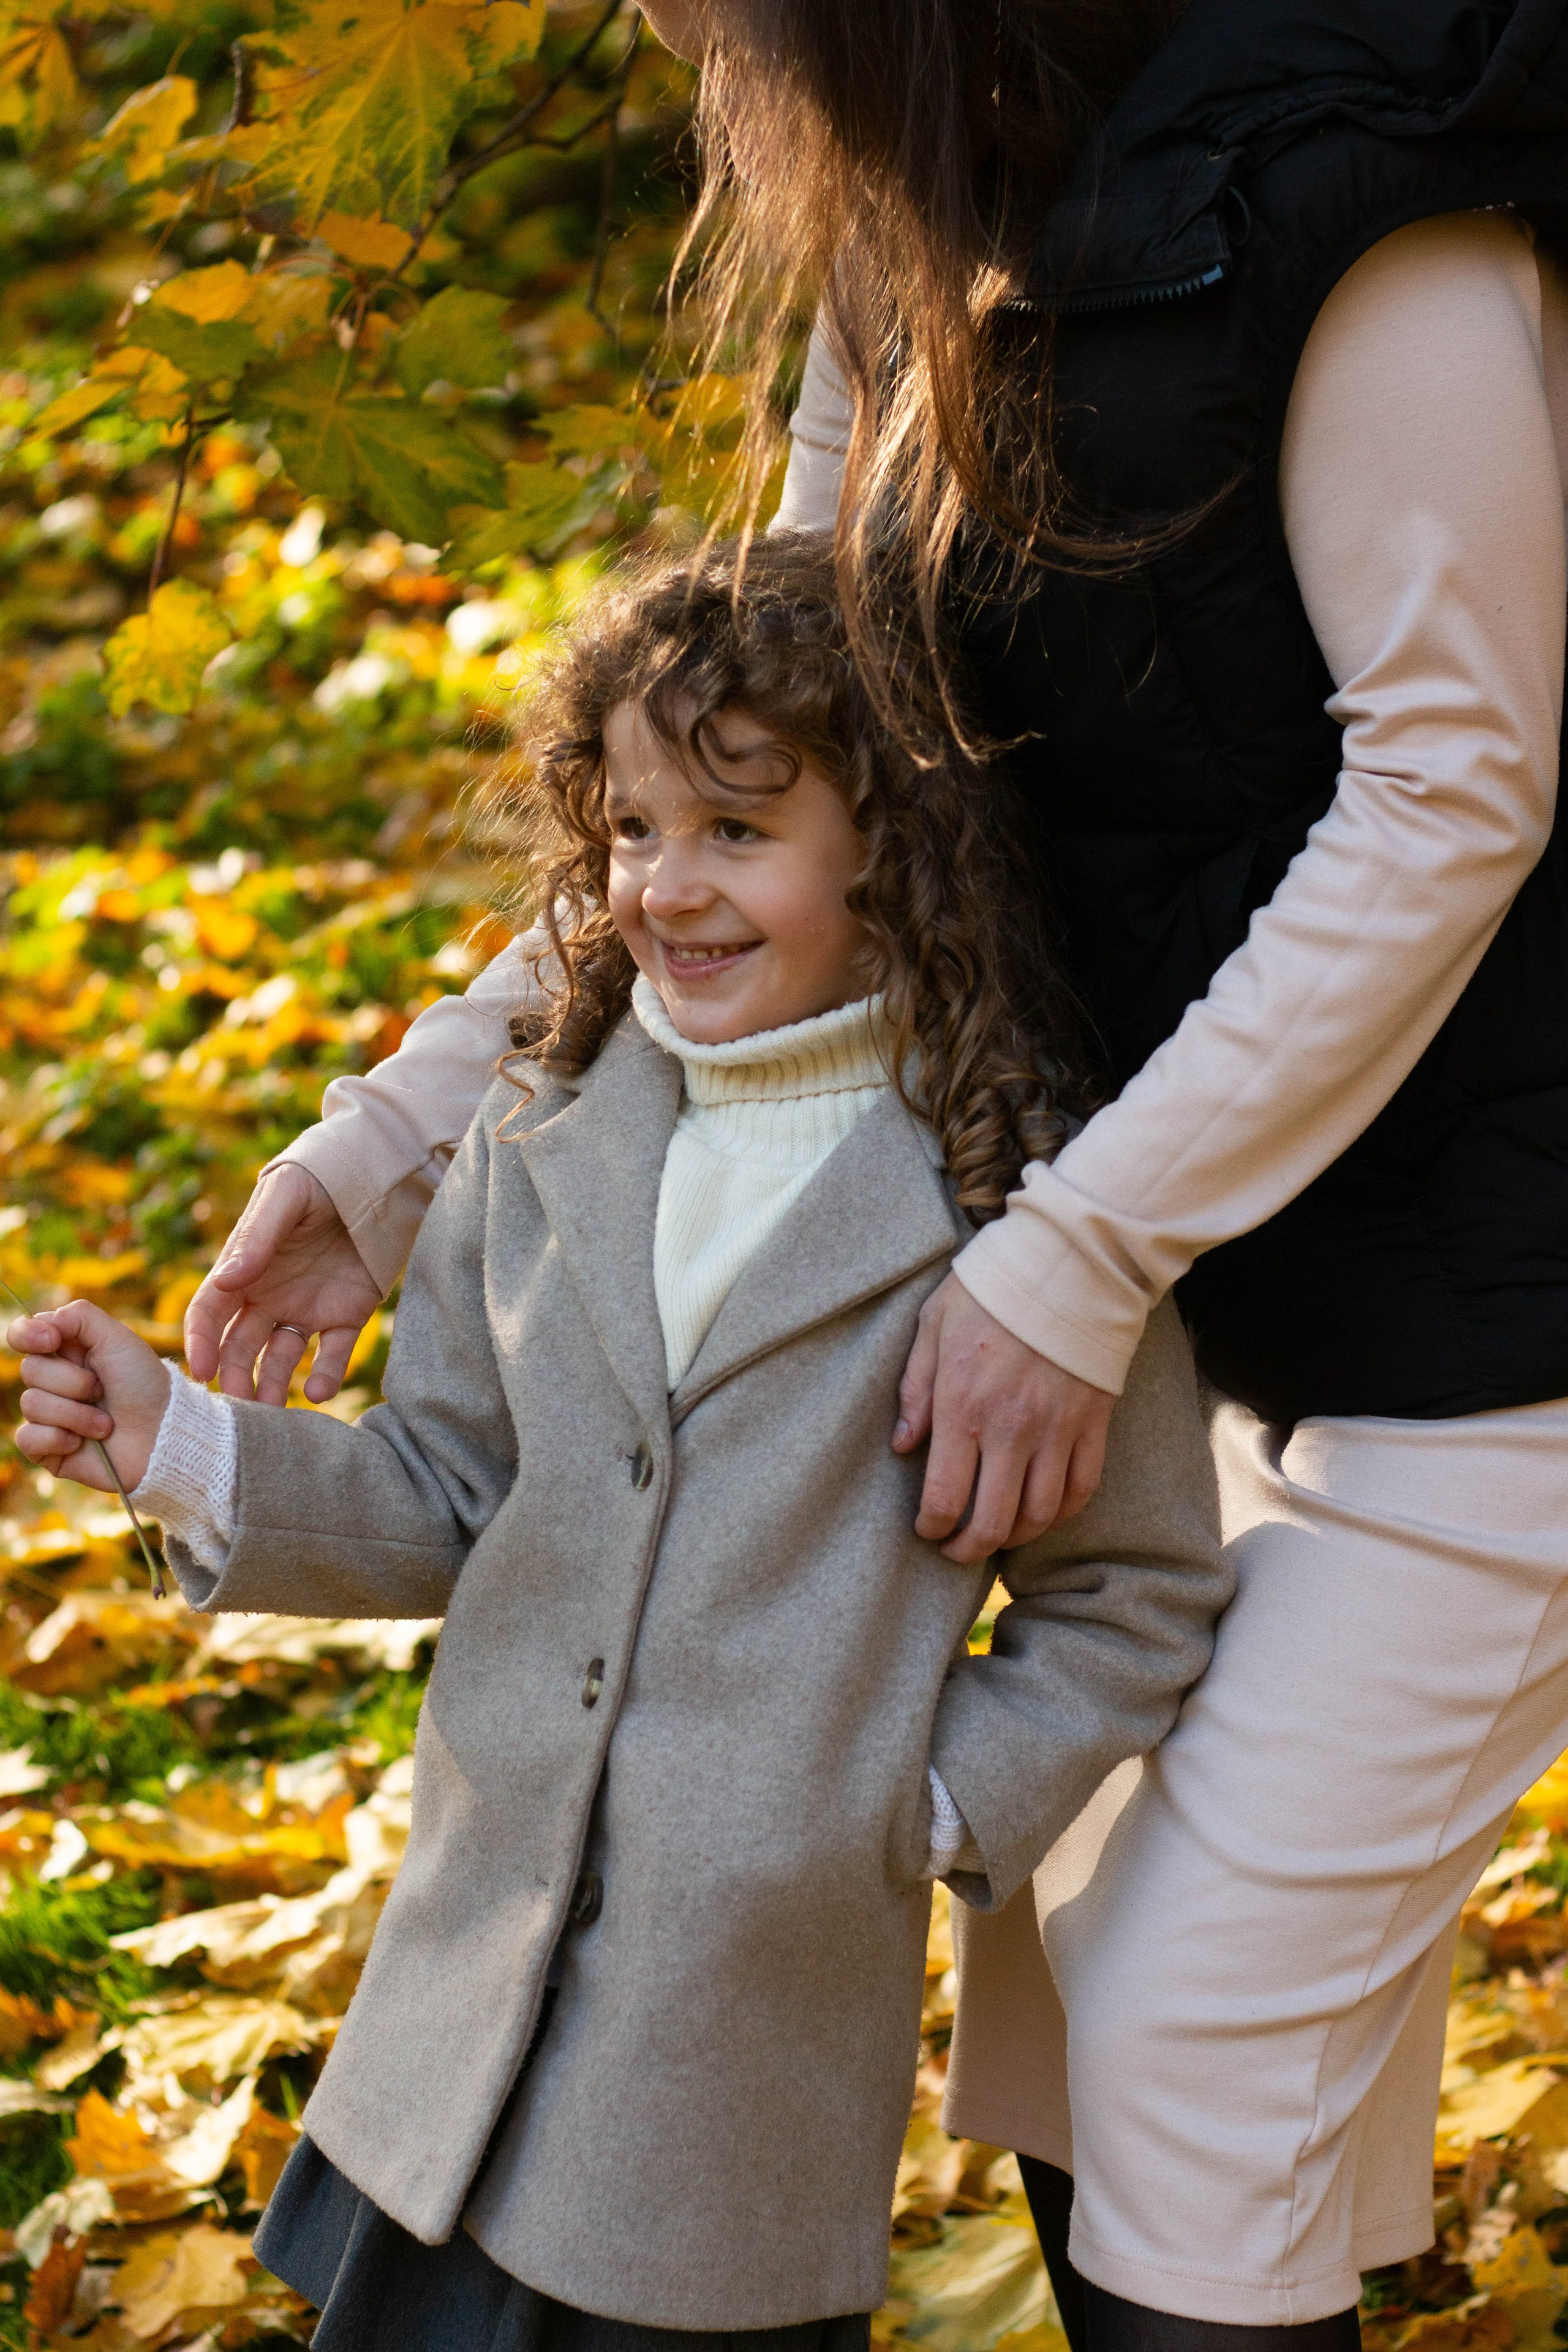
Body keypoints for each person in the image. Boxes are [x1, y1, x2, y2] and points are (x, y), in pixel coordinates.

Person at [178, 3, 1568, 2349]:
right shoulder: (926, 234)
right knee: (1080, 2017)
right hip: (1198, 1290)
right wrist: (404, 1135)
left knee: (1186, 2028)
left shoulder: (1372, 185)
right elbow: (807, 738)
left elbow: (1456, 782)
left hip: (1490, 1325)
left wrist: (1070, 1259)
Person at [10, 540, 1231, 2352]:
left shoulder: (1021, 1201)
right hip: (461, 2030)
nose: (669, 887)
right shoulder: (545, 1120)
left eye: (739, 830)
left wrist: (907, 1807)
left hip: (724, 2073)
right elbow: (449, 1490)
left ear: (891, 845)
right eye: (636, 830)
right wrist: (183, 1448)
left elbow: (1133, 1590)